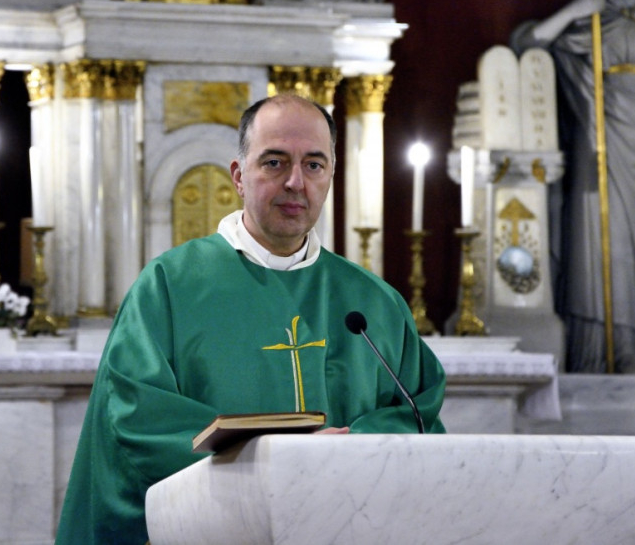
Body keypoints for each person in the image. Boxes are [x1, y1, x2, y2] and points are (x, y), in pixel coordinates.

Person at [55, 94, 447, 544]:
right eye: (275, 163)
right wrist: (273, 463)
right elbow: (136, 418)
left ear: (330, 176)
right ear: (239, 176)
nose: (296, 182)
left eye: (314, 165)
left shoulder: (374, 302)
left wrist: (346, 451)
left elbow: (418, 413)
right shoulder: (169, 287)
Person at [511, 0, 635, 372]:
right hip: (603, 135)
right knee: (609, 248)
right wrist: (574, 11)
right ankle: (616, 349)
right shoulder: (593, 14)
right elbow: (525, 46)